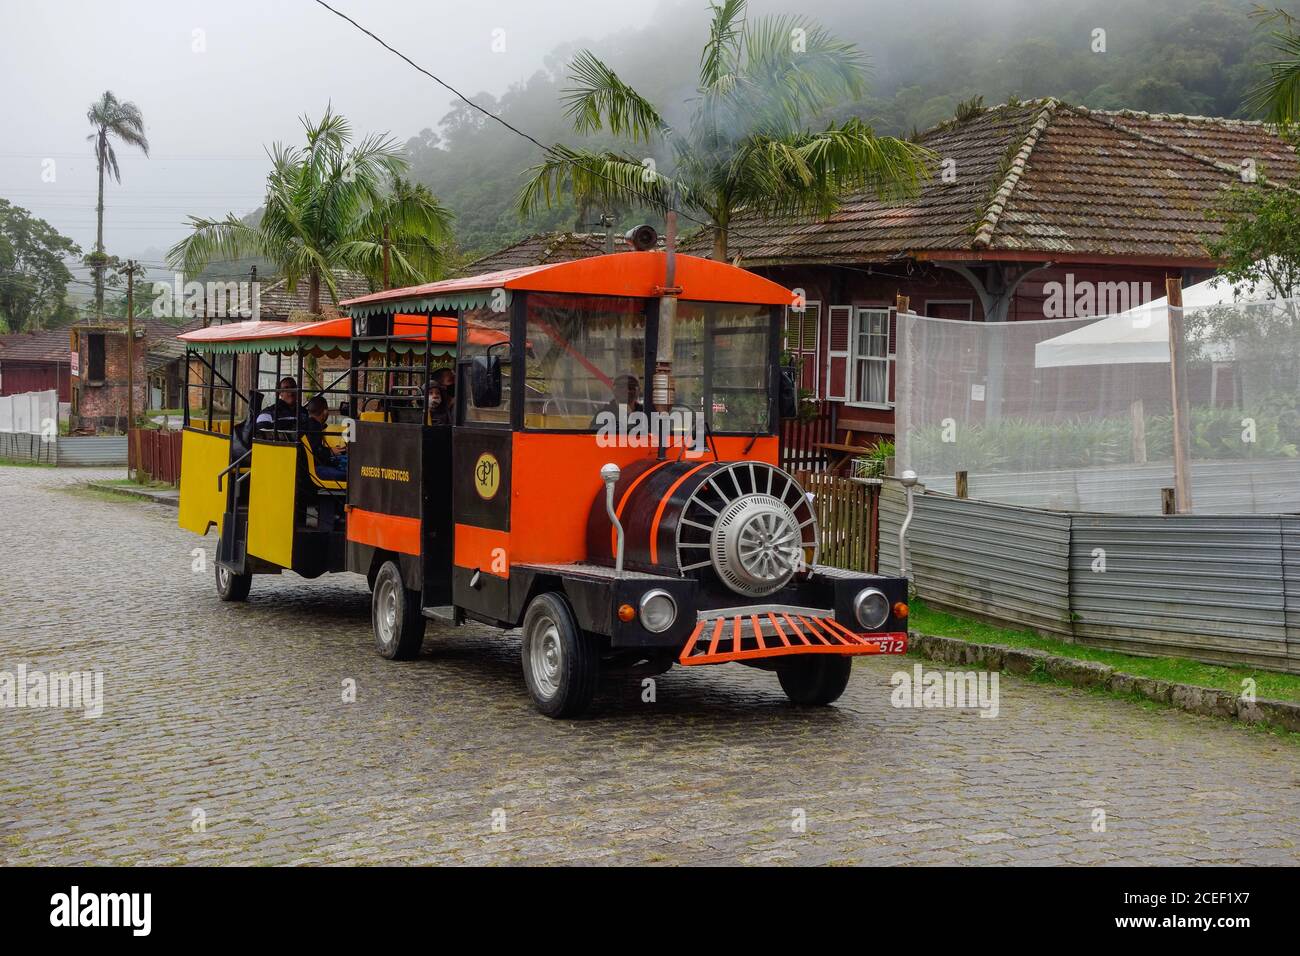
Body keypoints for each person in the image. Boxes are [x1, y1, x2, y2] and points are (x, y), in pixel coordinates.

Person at [304, 396, 348, 481]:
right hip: (316, 468)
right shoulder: (315, 427)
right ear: (325, 412)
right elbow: (315, 452)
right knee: (350, 473)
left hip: (313, 465)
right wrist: (331, 451)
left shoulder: (308, 424)